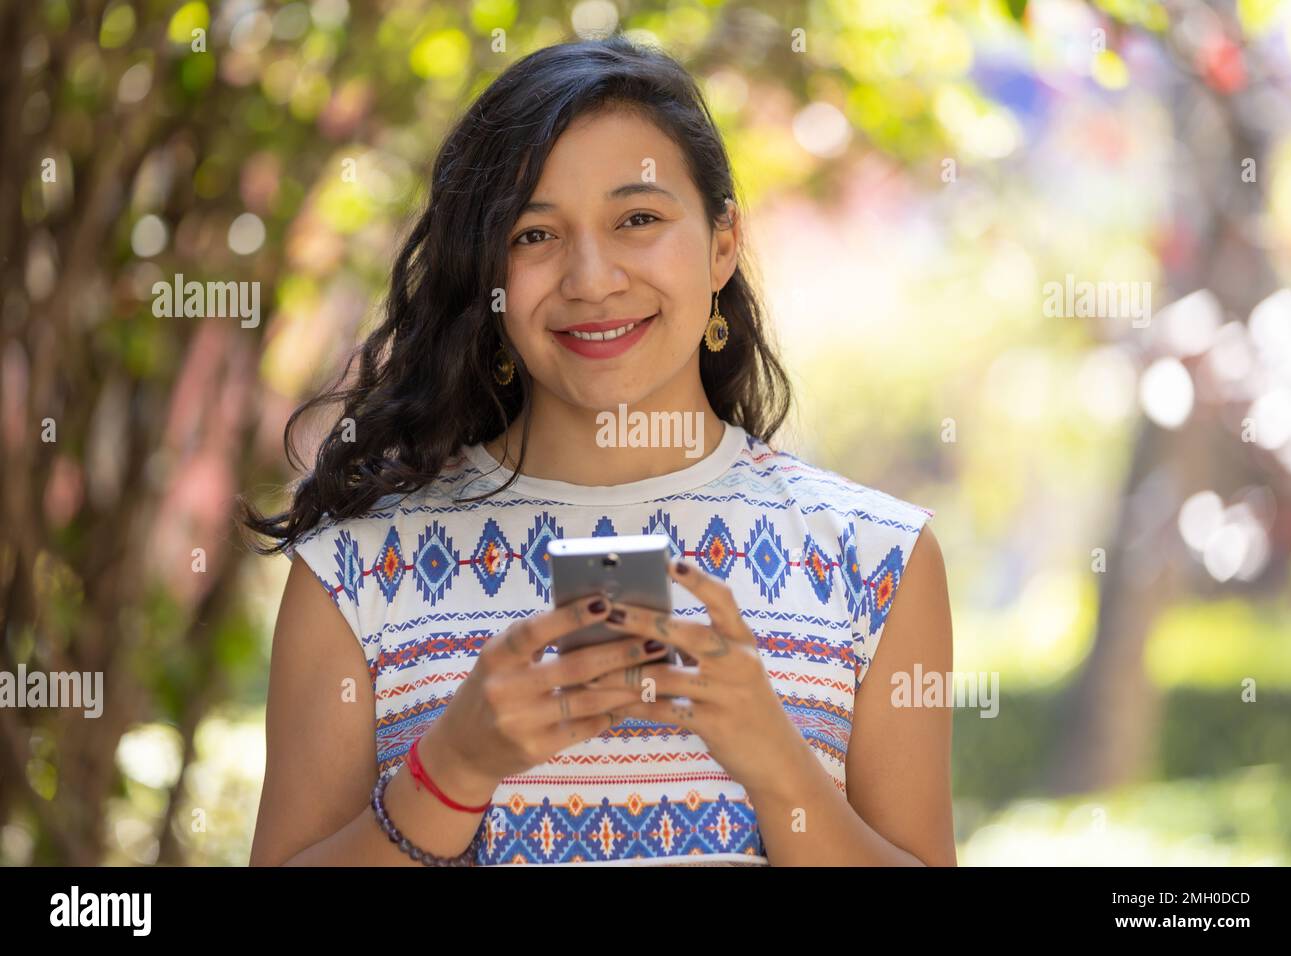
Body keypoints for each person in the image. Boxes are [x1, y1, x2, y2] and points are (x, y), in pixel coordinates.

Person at [243, 33, 955, 867]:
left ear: (723, 242)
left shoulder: (877, 559)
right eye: (535, 235)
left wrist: (776, 761)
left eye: (639, 219)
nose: (591, 277)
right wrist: (452, 771)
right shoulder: (354, 572)